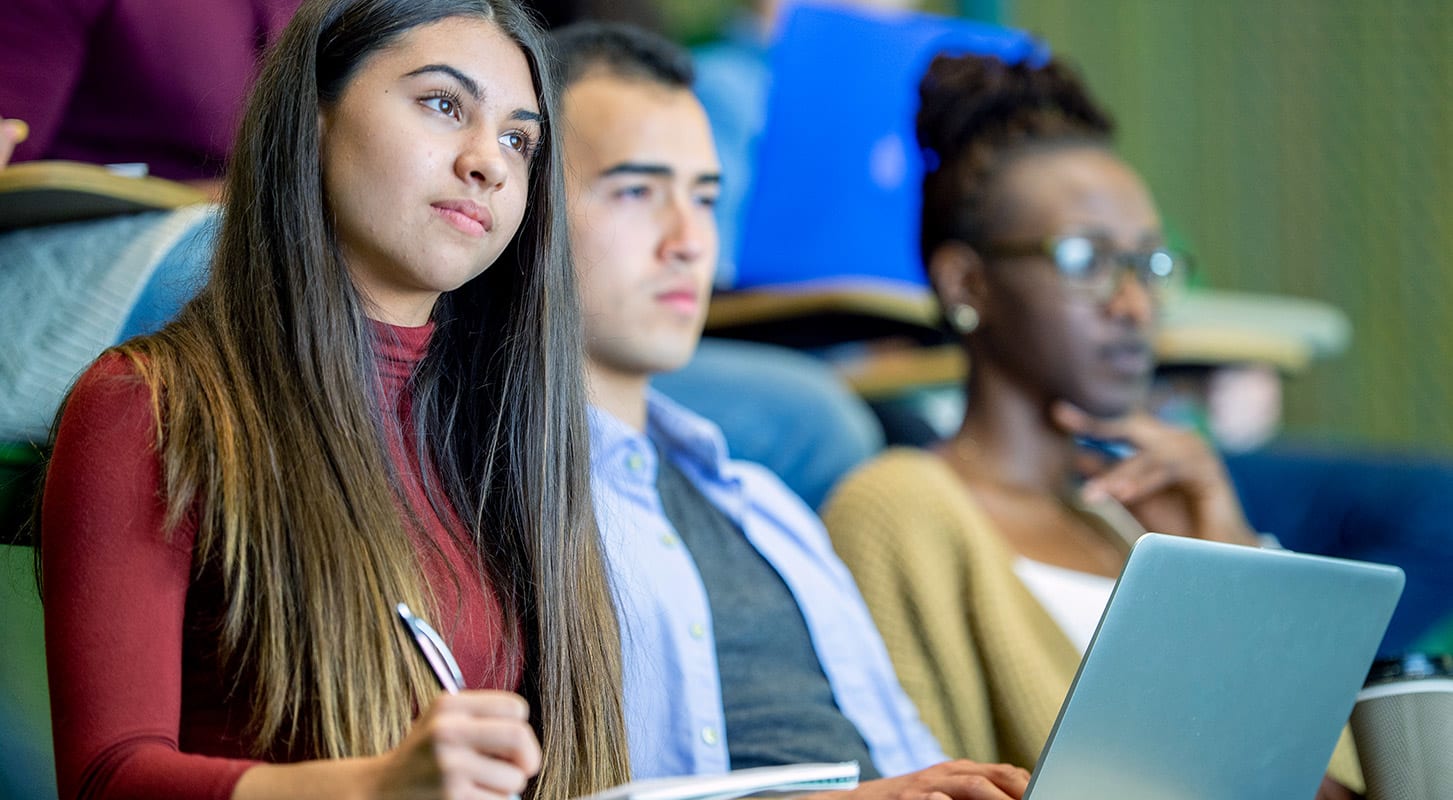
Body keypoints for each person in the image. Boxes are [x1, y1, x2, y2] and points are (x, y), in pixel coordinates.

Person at [35, 1, 629, 798]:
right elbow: (108, 778)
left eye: (519, 140)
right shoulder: (150, 405)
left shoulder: (506, 438)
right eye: (443, 105)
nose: (488, 160)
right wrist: (375, 787)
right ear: (313, 120)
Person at [819, 52, 1361, 797]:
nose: (1134, 306)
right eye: (1086, 259)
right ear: (965, 283)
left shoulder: (1135, 521)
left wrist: (1229, 554)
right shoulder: (896, 508)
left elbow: (1324, 784)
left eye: (1149, 263)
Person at [551, 22, 1029, 799]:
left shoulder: (766, 507)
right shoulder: (517, 513)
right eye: (636, 191)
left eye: (705, 198)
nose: (689, 241)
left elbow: (912, 759)